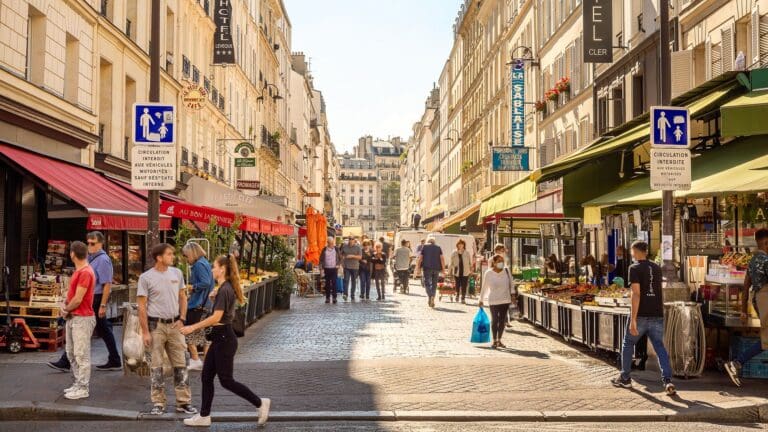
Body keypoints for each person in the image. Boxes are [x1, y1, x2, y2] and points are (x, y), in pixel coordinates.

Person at [181, 255, 270, 427]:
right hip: (220, 338)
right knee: (206, 376)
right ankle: (204, 416)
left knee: (226, 380)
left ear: (222, 269)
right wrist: (214, 300)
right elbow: (223, 314)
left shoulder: (224, 289)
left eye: (214, 266)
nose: (212, 269)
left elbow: (216, 317)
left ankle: (260, 403)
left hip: (224, 339)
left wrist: (193, 327)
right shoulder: (224, 288)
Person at [49, 231, 121, 372]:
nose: (89, 246)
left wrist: (102, 305)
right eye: (88, 243)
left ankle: (66, 361)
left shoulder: (103, 260)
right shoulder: (91, 258)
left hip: (97, 298)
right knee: (103, 329)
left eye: (93, 243)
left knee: (83, 329)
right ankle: (115, 359)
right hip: (92, 297)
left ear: (101, 243)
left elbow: (107, 284)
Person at [138, 243, 197, 416]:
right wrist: (145, 332)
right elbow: (142, 306)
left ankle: (184, 402)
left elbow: (183, 297)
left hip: (175, 325)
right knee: (156, 366)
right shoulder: (146, 277)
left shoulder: (177, 273)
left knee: (181, 364)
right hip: (155, 325)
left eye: (172, 254)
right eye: (169, 254)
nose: (173, 257)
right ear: (159, 257)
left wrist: (182, 319)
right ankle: (158, 402)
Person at [611, 241, 676, 396]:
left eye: (632, 251)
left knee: (628, 344)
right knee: (660, 347)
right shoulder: (656, 268)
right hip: (656, 313)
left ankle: (625, 377)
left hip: (640, 315)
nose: (631, 254)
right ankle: (667, 380)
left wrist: (633, 319)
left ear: (637, 251)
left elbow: (636, 293)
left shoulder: (633, 268)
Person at [725, 228, 768, 387]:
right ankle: (736, 363)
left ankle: (737, 363)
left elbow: (745, 286)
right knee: (766, 340)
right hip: (765, 299)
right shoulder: (765, 261)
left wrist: (744, 310)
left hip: (758, 299)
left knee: (766, 339)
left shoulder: (752, 260)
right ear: (766, 242)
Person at [59, 241, 97, 400]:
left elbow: (78, 299)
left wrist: (65, 309)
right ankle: (77, 383)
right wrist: (66, 308)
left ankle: (83, 387)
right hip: (74, 317)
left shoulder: (85, 272)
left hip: (82, 318)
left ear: (73, 254)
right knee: (72, 353)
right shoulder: (81, 271)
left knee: (81, 354)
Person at [183, 242, 215, 371]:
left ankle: (195, 359)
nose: (185, 259)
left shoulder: (198, 265)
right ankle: (207, 361)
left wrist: (193, 287)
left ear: (191, 253)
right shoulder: (205, 262)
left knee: (188, 330)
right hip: (207, 303)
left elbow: (205, 283)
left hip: (198, 303)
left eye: (186, 256)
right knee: (205, 332)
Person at [479, 254, 514, 349]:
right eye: (499, 261)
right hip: (493, 300)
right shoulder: (488, 273)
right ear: (494, 262)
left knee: (502, 320)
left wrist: (513, 294)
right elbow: (484, 287)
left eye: (502, 261)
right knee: (495, 320)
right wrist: (481, 299)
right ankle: (494, 340)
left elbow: (511, 283)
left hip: (505, 299)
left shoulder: (506, 271)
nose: (501, 263)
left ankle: (499, 340)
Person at [417, 238, 445, 308]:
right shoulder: (438, 248)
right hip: (436, 268)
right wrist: (443, 269)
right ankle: (433, 296)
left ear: (428, 242)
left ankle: (430, 295)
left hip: (427, 268)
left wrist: (418, 268)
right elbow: (442, 258)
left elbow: (420, 258)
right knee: (434, 284)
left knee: (427, 283)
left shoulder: (425, 247)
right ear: (434, 242)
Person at [319, 238, 342, 304]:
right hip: (326, 268)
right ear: (327, 243)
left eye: (333, 243)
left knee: (334, 283)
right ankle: (327, 298)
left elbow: (340, 258)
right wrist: (321, 269)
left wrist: (338, 264)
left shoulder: (336, 249)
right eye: (330, 243)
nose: (332, 244)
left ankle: (334, 298)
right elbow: (321, 260)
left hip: (334, 268)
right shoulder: (324, 249)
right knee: (327, 284)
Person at [341, 237, 363, 301]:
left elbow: (360, 257)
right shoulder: (345, 247)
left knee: (353, 281)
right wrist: (342, 262)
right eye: (349, 239)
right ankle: (345, 294)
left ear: (354, 241)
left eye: (352, 239)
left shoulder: (358, 247)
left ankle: (352, 295)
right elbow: (341, 255)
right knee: (346, 280)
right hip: (346, 267)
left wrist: (352, 256)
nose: (350, 240)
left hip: (355, 267)